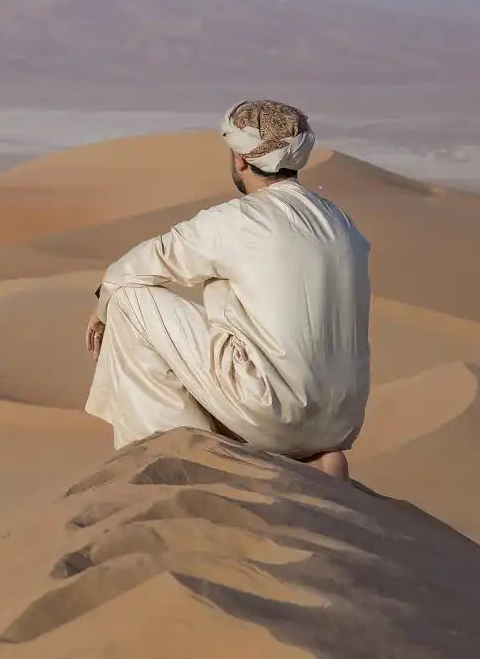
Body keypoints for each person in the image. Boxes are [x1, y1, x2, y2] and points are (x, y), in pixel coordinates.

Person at [83, 100, 369, 479]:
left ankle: (181, 458)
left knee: (126, 300)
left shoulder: (238, 221)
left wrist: (102, 304)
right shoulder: (342, 224)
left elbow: (137, 267)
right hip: (339, 422)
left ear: (239, 158)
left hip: (269, 410)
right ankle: (307, 459)